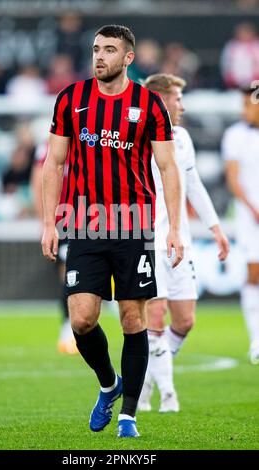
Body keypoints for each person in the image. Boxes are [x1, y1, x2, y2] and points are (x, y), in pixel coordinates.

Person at [41, 24, 183, 438]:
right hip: (84, 222)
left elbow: (167, 167)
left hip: (133, 224)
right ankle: (109, 385)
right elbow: (53, 163)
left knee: (131, 317)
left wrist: (174, 227)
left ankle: (129, 416)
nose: (99, 56)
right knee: (82, 319)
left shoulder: (149, 105)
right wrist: (49, 222)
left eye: (109, 50)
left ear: (128, 58)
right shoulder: (71, 99)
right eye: (96, 49)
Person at [138, 74, 229, 413]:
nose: (183, 105)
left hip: (182, 240)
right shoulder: (136, 136)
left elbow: (193, 185)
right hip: (147, 240)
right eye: (178, 98)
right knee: (155, 315)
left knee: (185, 321)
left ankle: (146, 379)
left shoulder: (183, 138)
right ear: (161, 100)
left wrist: (215, 227)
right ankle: (168, 394)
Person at [222, 85, 259, 365]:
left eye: (250, 104)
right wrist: (252, 208)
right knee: (254, 274)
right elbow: (233, 178)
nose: (246, 110)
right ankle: (255, 338)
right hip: (251, 217)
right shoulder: (235, 135)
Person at [31, 141, 78, 354]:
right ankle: (68, 328)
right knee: (69, 273)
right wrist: (46, 222)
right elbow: (38, 181)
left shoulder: (84, 141)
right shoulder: (49, 145)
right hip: (64, 220)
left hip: (91, 218)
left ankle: (74, 327)